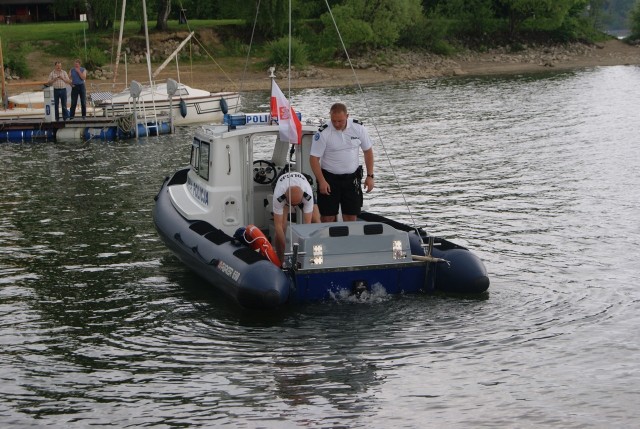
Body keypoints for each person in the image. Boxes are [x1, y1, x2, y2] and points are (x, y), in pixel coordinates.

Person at [309, 102, 374, 222]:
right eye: (334, 121)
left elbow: (368, 151)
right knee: (328, 217)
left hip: (351, 179)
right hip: (329, 179)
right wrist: (322, 181)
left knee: (351, 216)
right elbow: (313, 159)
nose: (337, 124)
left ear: (347, 116)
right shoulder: (323, 132)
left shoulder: (358, 128)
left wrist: (370, 176)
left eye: (340, 121)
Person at [272, 171, 318, 262]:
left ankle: (316, 256)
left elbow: (307, 225)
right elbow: (277, 226)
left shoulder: (307, 195)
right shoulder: (279, 196)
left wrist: (304, 245)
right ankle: (280, 259)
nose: (294, 207)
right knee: (282, 226)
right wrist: (285, 245)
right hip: (282, 183)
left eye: (296, 204)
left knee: (316, 220)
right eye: (292, 205)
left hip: (302, 184)